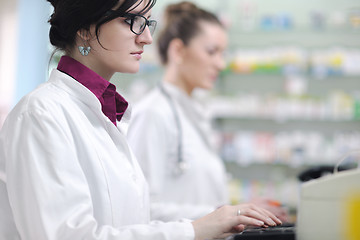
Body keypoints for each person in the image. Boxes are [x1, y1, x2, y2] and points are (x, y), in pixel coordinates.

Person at [0, 0, 282, 239]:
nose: (146, 38)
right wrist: (195, 229)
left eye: (147, 23)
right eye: (132, 22)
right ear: (85, 29)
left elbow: (132, 222)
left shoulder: (104, 115)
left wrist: (217, 217)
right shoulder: (40, 114)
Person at [128, 1, 288, 222]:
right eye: (212, 52)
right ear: (178, 50)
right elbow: (140, 209)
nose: (221, 64)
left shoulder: (192, 112)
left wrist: (235, 211)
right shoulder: (152, 114)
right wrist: (227, 213)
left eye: (223, 54)